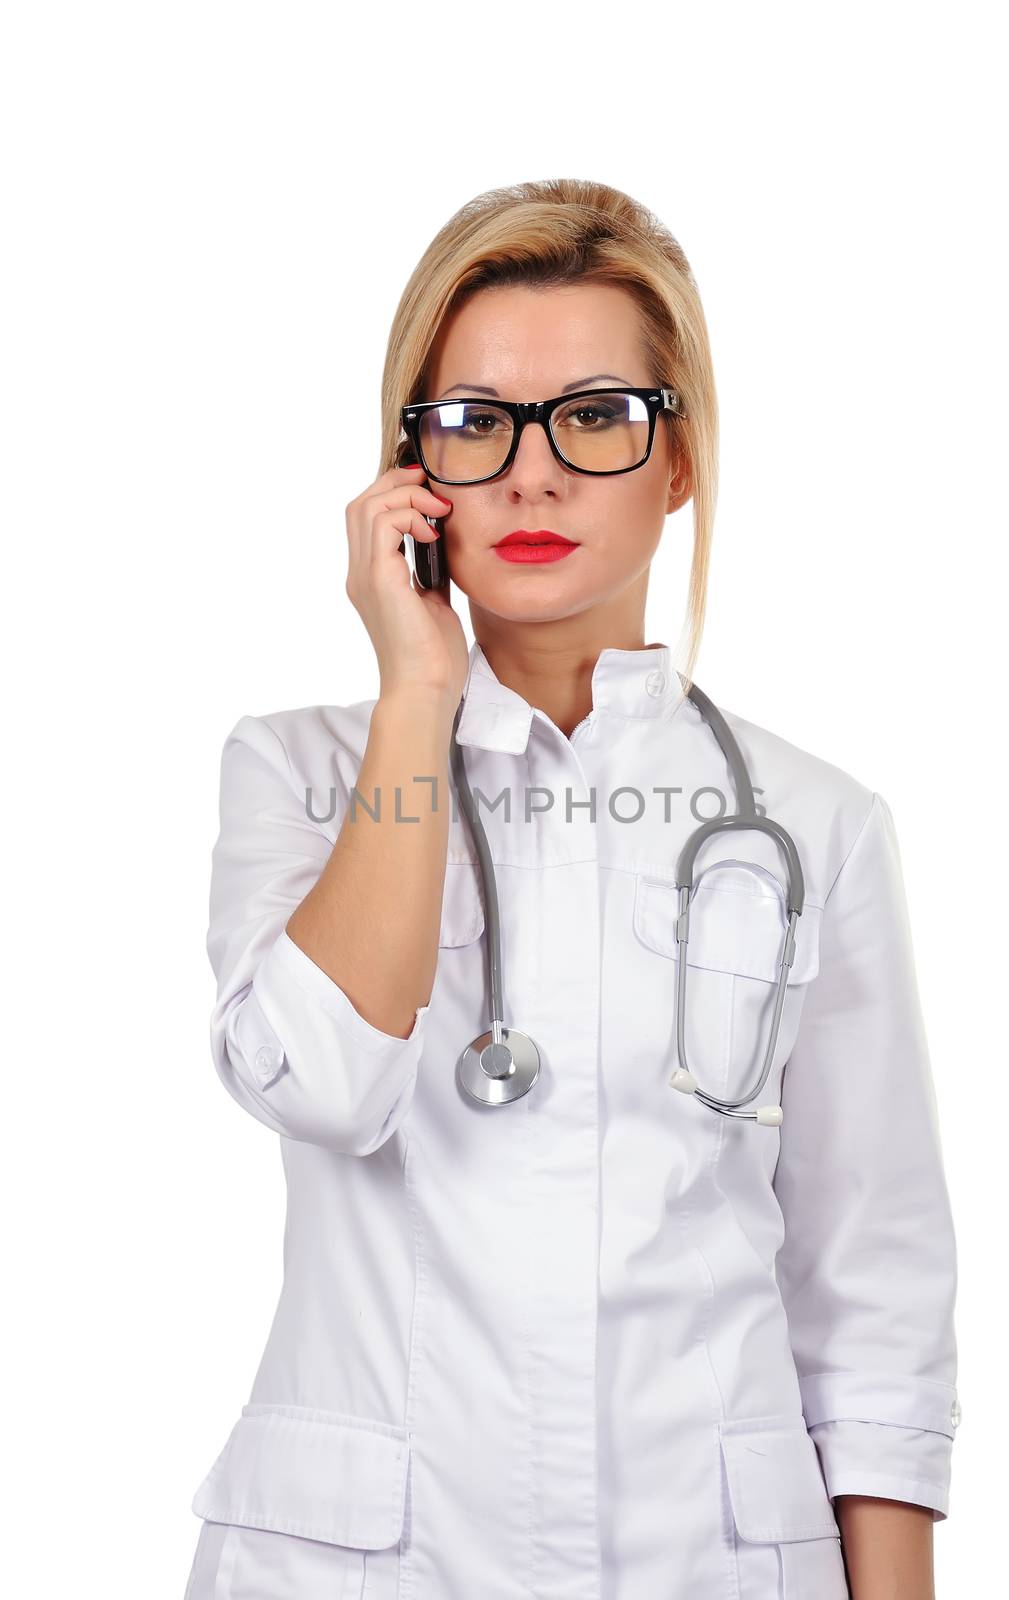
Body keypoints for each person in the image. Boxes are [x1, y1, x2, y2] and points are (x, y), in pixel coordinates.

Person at [182, 178, 960, 1600]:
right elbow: (328, 1085)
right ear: (411, 473)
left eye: (597, 415)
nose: (533, 474)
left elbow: (874, 1294)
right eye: (474, 423)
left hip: (705, 1560)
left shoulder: (815, 825)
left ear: (677, 463)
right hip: (374, 1564)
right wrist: (416, 690)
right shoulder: (295, 774)